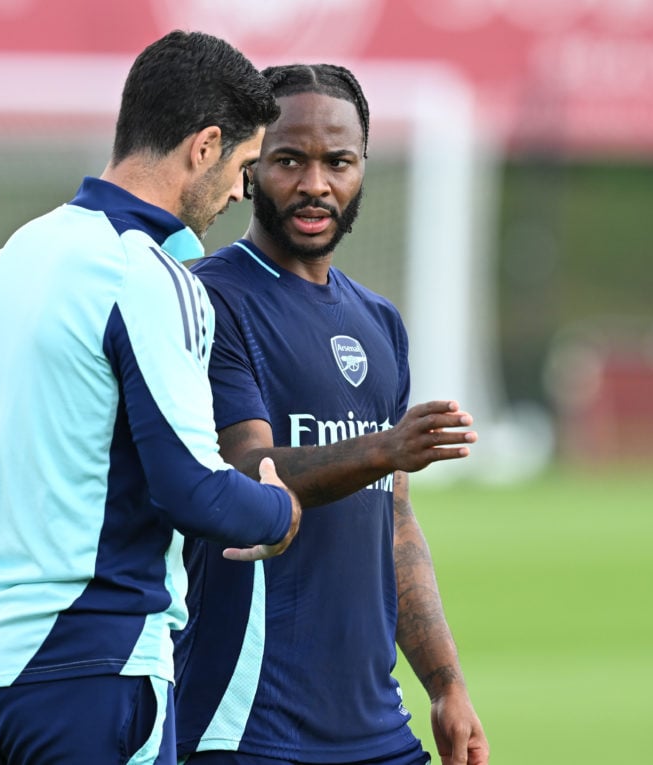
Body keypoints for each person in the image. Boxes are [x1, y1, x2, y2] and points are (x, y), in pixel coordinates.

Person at [0, 31, 303, 765]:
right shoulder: (148, 274)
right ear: (203, 147)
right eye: (242, 165)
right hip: (95, 666)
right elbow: (193, 489)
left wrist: (49, 526)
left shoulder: (24, 249)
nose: (240, 192)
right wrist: (279, 509)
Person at [173, 64, 490, 765]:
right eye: (289, 159)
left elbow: (396, 522)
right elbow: (247, 471)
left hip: (378, 729)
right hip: (249, 728)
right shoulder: (209, 301)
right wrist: (386, 447)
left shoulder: (379, 321)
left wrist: (445, 683)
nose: (316, 183)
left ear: (362, 169)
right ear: (250, 166)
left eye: (338, 161)